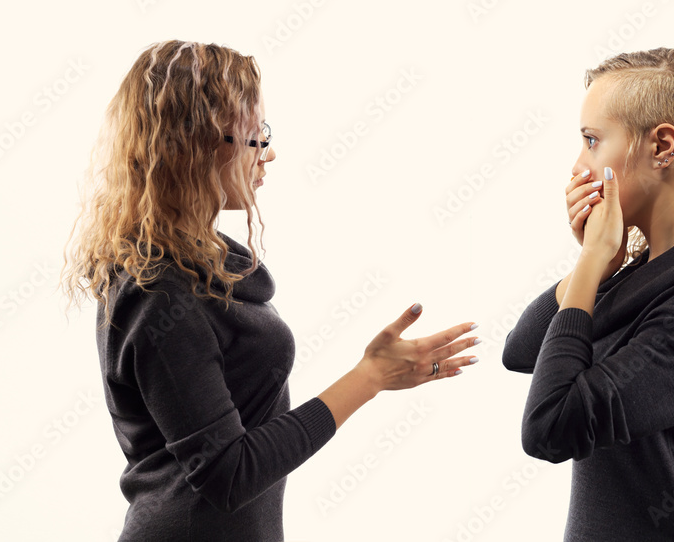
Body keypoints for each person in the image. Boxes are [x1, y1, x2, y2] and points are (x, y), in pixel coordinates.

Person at [59, 40, 480, 542]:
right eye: (257, 135)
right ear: (201, 142)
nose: (270, 151)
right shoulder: (157, 292)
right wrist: (369, 377)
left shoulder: (199, 264)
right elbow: (228, 474)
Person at [502, 46, 674, 541]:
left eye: (592, 141)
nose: (577, 166)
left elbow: (549, 426)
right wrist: (599, 267)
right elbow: (522, 351)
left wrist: (592, 265)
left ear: (663, 147)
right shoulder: (646, 270)